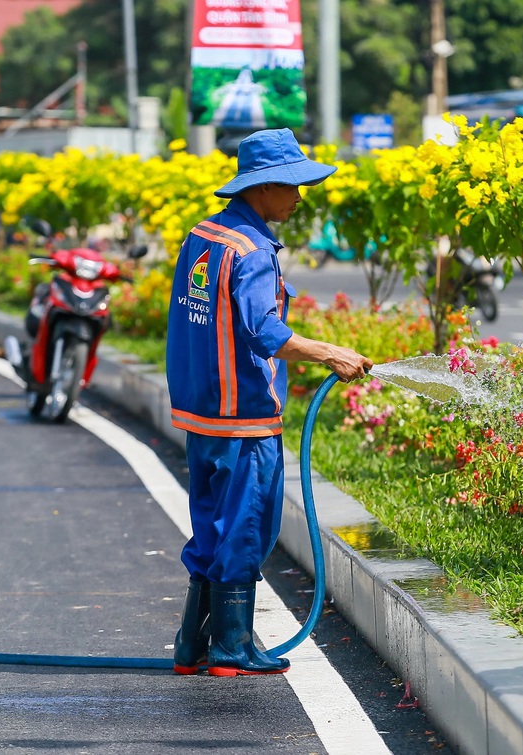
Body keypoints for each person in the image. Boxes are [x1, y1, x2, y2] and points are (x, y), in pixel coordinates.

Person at [165, 128, 373, 677]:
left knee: (210, 523)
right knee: (246, 526)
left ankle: (193, 645)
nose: (300, 198)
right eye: (293, 187)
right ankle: (231, 649)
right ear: (263, 189)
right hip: (244, 416)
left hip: (201, 412)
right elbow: (264, 330)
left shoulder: (203, 235)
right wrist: (330, 353)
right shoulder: (254, 250)